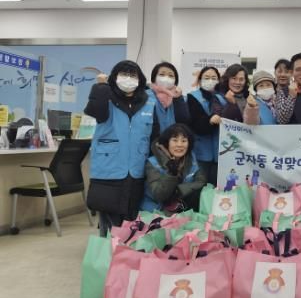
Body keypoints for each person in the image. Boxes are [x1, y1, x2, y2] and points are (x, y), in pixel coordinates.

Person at [84, 60, 155, 236]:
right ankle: (108, 249)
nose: (128, 78)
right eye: (124, 74)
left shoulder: (148, 102)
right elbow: (95, 110)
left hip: (137, 169)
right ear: (114, 77)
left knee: (132, 219)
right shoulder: (106, 97)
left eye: (133, 75)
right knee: (110, 218)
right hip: (109, 168)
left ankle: (127, 249)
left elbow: (155, 134)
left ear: (140, 79)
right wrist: (101, 86)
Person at [140, 123, 208, 215]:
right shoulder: (153, 163)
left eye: (184, 141)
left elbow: (201, 182)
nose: (179, 145)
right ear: (167, 142)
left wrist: (179, 190)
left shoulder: (192, 160)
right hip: (156, 210)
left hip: (180, 208)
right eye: (175, 140)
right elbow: (159, 195)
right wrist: (171, 174)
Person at [187, 66, 226, 186]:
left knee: (218, 187)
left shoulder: (222, 98)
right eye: (206, 77)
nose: (210, 80)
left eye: (214, 78)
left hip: (221, 153)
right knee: (200, 186)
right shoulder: (192, 97)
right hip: (201, 153)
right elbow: (195, 124)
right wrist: (210, 120)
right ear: (199, 81)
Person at [146, 61, 189, 135]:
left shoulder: (182, 98)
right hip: (152, 140)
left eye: (171, 76)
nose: (166, 78)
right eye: (162, 74)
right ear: (154, 78)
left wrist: (178, 98)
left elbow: (184, 121)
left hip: (174, 139)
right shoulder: (145, 96)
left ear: (175, 81)